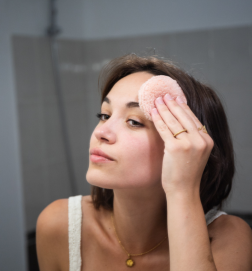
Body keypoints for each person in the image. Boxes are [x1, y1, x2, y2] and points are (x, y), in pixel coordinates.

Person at [36, 54, 252, 271]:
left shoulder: (228, 238)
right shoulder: (59, 225)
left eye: (134, 121)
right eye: (104, 115)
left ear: (187, 146)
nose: (101, 132)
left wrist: (182, 190)